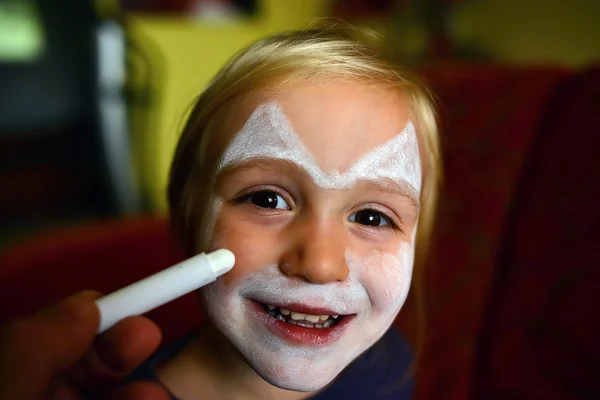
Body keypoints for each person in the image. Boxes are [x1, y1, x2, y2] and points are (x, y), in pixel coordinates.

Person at [0, 23, 441, 399]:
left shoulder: (388, 366)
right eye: (268, 199)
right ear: (189, 217)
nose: (321, 264)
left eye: (372, 217)